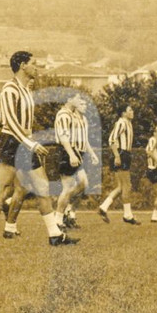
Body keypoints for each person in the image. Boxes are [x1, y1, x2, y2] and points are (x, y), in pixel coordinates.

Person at [0, 51, 78, 247]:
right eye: (33, 63)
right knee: (3, 191)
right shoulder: (9, 89)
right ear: (22, 65)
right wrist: (31, 143)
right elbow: (9, 122)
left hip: (25, 143)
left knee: (42, 188)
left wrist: (30, 142)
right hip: (13, 143)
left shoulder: (25, 90)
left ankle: (54, 235)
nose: (37, 67)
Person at [53, 95, 98, 230]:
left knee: (83, 184)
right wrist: (71, 154)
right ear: (68, 100)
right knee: (67, 187)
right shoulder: (63, 115)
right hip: (67, 152)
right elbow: (63, 137)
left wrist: (90, 153)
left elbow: (82, 139)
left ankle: (66, 210)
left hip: (75, 152)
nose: (79, 102)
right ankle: (58, 220)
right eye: (76, 99)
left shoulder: (73, 115)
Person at [98, 105, 138, 225]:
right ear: (123, 113)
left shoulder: (128, 123)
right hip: (121, 154)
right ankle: (127, 215)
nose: (132, 112)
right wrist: (117, 156)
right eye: (130, 110)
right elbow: (111, 140)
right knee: (127, 185)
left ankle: (103, 207)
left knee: (121, 187)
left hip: (124, 154)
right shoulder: (121, 123)